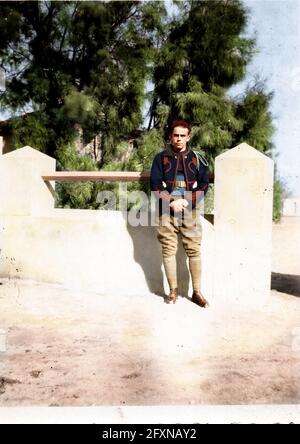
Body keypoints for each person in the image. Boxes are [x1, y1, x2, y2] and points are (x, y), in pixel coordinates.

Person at [150, 120, 209, 307]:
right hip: (167, 207)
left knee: (194, 248)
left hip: (189, 207)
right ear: (171, 136)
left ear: (188, 137)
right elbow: (155, 184)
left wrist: (188, 200)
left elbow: (204, 184)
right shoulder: (160, 158)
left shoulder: (198, 159)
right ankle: (173, 291)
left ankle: (197, 291)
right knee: (168, 248)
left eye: (183, 136)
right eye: (176, 135)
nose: (179, 139)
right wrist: (171, 201)